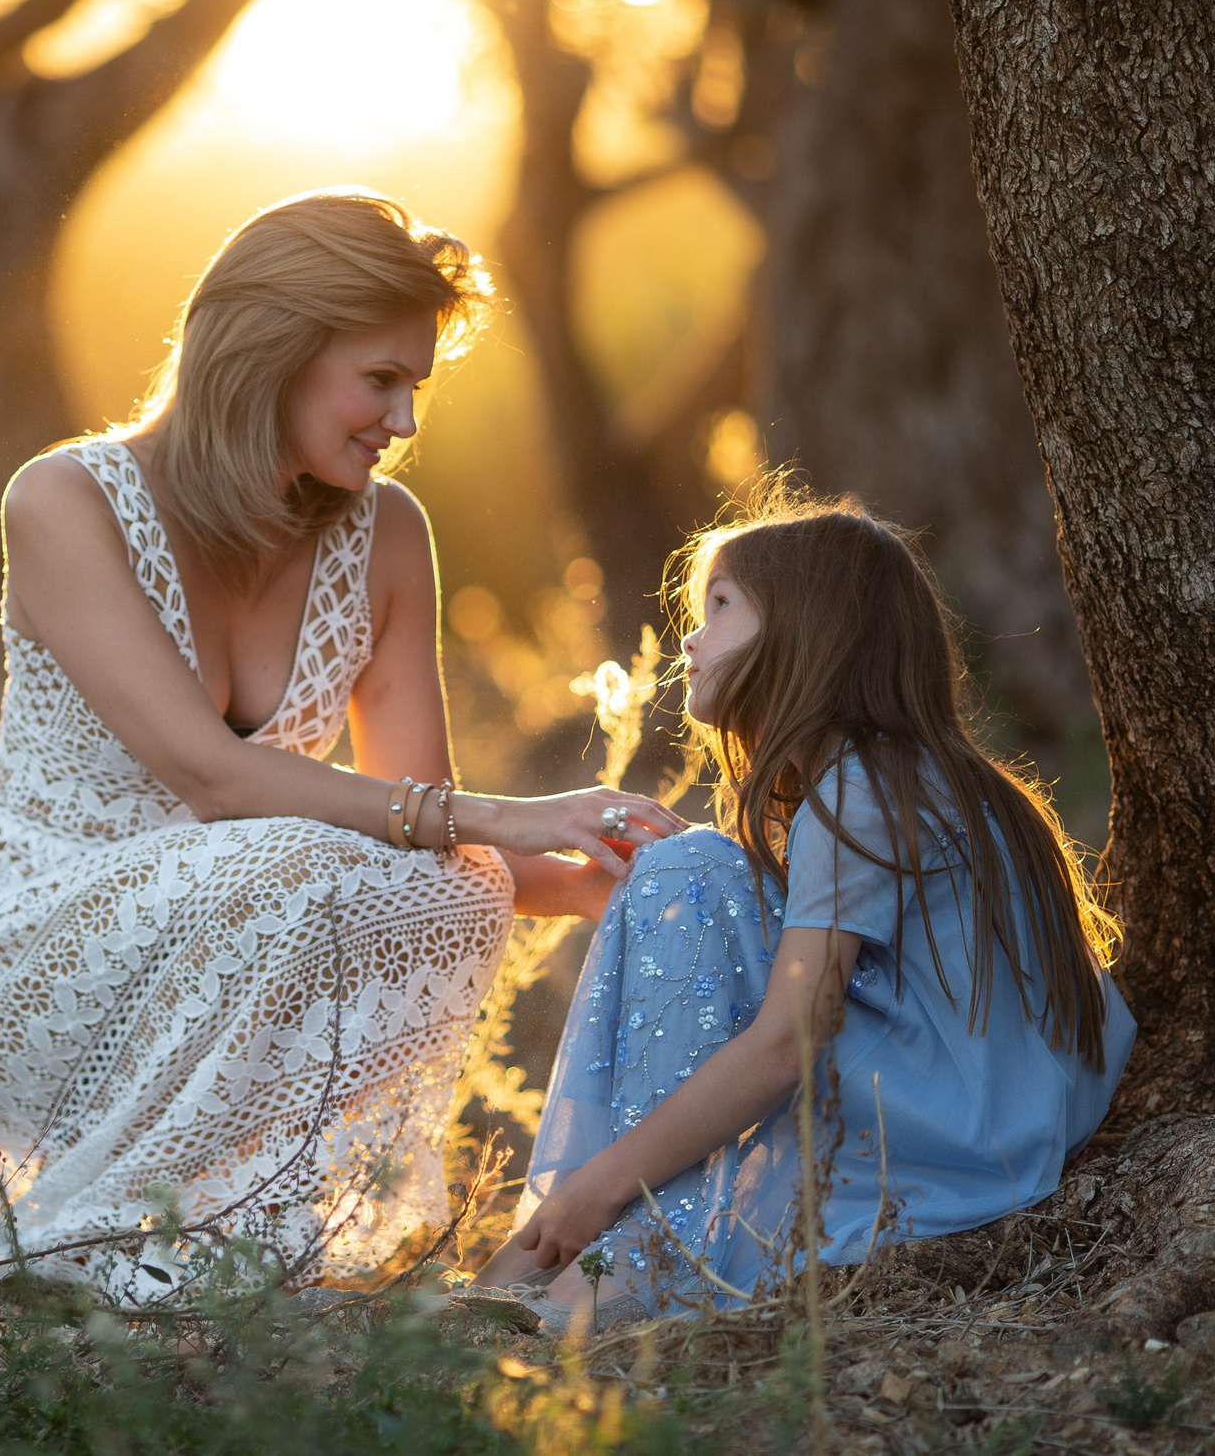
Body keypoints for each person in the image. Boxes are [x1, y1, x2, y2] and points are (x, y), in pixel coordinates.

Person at [0, 189, 679, 1301]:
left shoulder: (386, 532)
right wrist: (512, 814)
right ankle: (82, 1253)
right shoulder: (66, 498)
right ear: (272, 350)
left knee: (435, 882)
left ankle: (220, 1257)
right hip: (24, 952)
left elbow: (420, 846)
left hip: (228, 934)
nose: (404, 422)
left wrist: (606, 876)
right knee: (308, 859)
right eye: (381, 379)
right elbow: (213, 779)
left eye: (416, 387)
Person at [478, 485, 1135, 1323]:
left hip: (960, 1139)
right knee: (692, 872)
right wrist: (675, 894)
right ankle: (556, 1254)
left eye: (720, 605)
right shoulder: (913, 776)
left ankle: (633, 1237)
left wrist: (604, 1183)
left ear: (807, 629)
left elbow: (788, 1043)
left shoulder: (859, 788)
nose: (690, 637)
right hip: (996, 1116)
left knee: (688, 870)